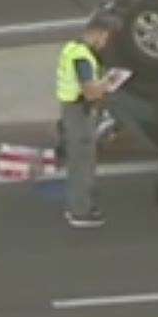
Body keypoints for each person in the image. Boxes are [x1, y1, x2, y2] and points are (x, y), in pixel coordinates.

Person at [53, 16, 123, 229]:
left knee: (78, 160)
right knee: (82, 163)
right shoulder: (83, 58)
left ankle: (78, 205)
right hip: (80, 113)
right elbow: (90, 92)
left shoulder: (72, 47)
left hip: (71, 110)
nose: (104, 43)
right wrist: (110, 83)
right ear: (97, 33)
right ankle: (80, 212)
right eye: (105, 38)